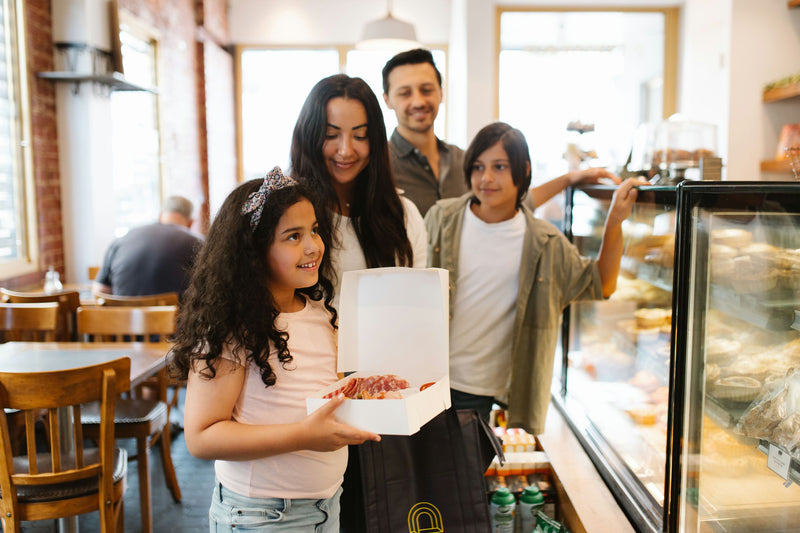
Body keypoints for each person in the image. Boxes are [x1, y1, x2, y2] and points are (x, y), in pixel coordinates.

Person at [170, 168, 380, 532]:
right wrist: (304, 435)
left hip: (327, 506)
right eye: (293, 236)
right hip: (261, 516)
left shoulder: (321, 314)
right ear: (253, 252)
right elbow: (201, 437)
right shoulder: (231, 328)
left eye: (314, 229)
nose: (313, 245)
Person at [424, 122, 647, 434]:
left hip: (479, 390)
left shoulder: (545, 242)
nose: (486, 178)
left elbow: (601, 283)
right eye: (478, 167)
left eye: (499, 167)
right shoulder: (442, 218)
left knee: (462, 481)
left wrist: (614, 220)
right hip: (425, 379)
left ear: (523, 170)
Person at [382, 48, 622, 216]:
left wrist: (570, 178)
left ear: (441, 93)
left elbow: (514, 202)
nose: (418, 101)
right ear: (387, 100)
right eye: (405, 93)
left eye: (426, 89)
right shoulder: (378, 165)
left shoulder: (466, 161)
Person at [290, 74, 427, 304]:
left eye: (360, 136)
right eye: (331, 135)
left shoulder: (404, 214)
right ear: (309, 137)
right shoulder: (289, 216)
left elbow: (416, 300)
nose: (345, 150)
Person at [93, 195, 202, 299]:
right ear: (191, 222)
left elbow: (100, 291)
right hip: (171, 317)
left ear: (160, 216)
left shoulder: (123, 239)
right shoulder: (196, 243)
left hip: (123, 317)